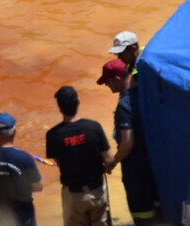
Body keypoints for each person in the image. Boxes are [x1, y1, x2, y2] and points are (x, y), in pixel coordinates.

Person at [97, 59, 162, 225]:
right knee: (159, 209)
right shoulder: (143, 93)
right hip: (155, 161)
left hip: (136, 169)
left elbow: (127, 143)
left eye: (107, 82)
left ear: (117, 79)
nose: (107, 86)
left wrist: (112, 162)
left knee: (143, 214)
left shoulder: (124, 106)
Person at [46, 85, 113, 226]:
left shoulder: (53, 135)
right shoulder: (94, 127)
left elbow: (58, 161)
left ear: (59, 107)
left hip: (73, 195)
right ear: (78, 101)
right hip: (97, 190)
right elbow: (109, 159)